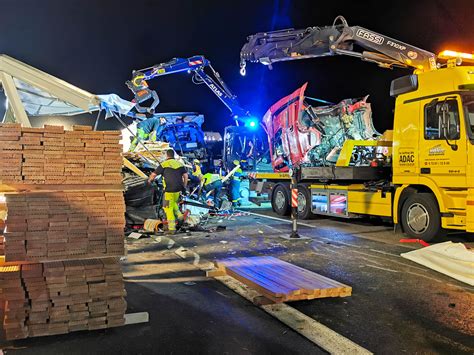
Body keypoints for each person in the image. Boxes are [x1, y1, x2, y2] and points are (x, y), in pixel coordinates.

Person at [148, 149, 188, 234]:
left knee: (167, 208)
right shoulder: (180, 164)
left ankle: (172, 228)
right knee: (173, 203)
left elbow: (153, 175)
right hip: (178, 190)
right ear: (173, 155)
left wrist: (149, 181)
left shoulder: (164, 164)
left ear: (167, 155)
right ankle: (180, 216)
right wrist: (184, 186)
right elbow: (185, 175)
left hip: (169, 190)